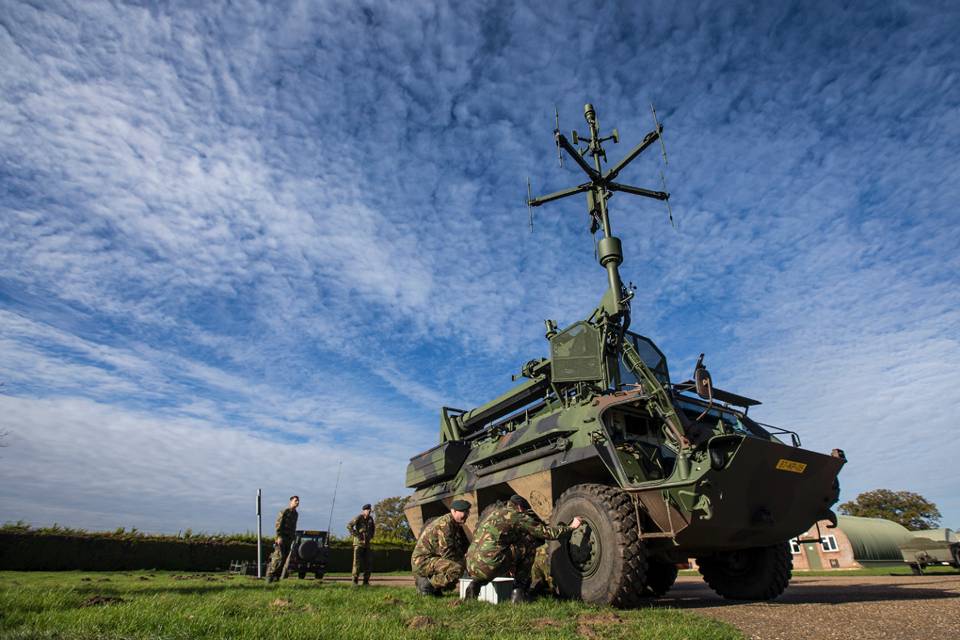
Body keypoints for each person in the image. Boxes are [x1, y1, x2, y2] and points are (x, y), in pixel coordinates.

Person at [463, 495, 581, 603]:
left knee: (503, 552)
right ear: (519, 507)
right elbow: (545, 532)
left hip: (471, 565)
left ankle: (474, 586)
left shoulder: (494, 514)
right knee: (529, 545)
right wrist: (571, 527)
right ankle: (518, 594)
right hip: (490, 563)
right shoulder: (516, 515)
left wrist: (511, 562)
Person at [411, 499, 471, 596]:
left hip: (430, 559)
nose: (467, 515)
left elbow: (454, 548)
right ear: (454, 511)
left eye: (468, 512)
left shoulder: (452, 523)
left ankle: (435, 589)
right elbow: (447, 553)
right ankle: (427, 585)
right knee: (457, 569)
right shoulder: (445, 525)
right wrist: (463, 564)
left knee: (457, 567)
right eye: (464, 512)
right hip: (422, 561)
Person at [266, 495, 299, 583]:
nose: (297, 502)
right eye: (295, 500)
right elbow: (278, 524)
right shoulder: (284, 512)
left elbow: (294, 527)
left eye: (298, 501)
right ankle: (270, 576)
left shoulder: (295, 514)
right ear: (291, 502)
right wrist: (279, 537)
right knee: (278, 557)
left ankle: (276, 578)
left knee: (284, 558)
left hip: (289, 539)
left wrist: (293, 538)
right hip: (282, 538)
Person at [347, 503, 376, 585]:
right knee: (357, 563)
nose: (369, 511)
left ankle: (366, 582)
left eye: (370, 510)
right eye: (367, 510)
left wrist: (371, 536)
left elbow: (373, 528)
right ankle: (355, 581)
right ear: (364, 511)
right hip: (358, 544)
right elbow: (349, 526)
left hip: (367, 544)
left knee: (368, 563)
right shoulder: (359, 517)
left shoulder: (370, 519)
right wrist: (356, 535)